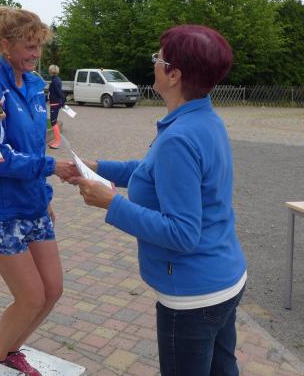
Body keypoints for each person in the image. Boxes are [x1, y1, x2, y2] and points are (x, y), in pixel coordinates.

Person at [62, 25, 247, 376]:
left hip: (193, 296)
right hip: (224, 277)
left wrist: (111, 203)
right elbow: (153, 171)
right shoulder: (203, 119)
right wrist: (99, 167)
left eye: (158, 59)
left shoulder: (179, 137)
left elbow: (182, 233)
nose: (154, 64)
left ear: (174, 75)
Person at [0, 7, 68, 376]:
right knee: (30, 297)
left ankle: (12, 351)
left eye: (39, 46)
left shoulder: (35, 85)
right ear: (6, 45)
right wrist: (51, 168)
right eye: (29, 46)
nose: (35, 54)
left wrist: (45, 196)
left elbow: (36, 145)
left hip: (32, 203)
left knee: (52, 290)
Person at [47, 64, 65, 149]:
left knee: (53, 122)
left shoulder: (54, 81)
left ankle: (57, 142)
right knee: (53, 122)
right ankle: (56, 141)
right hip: (55, 103)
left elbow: (59, 92)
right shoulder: (56, 79)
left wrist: (63, 102)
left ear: (51, 71)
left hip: (55, 104)